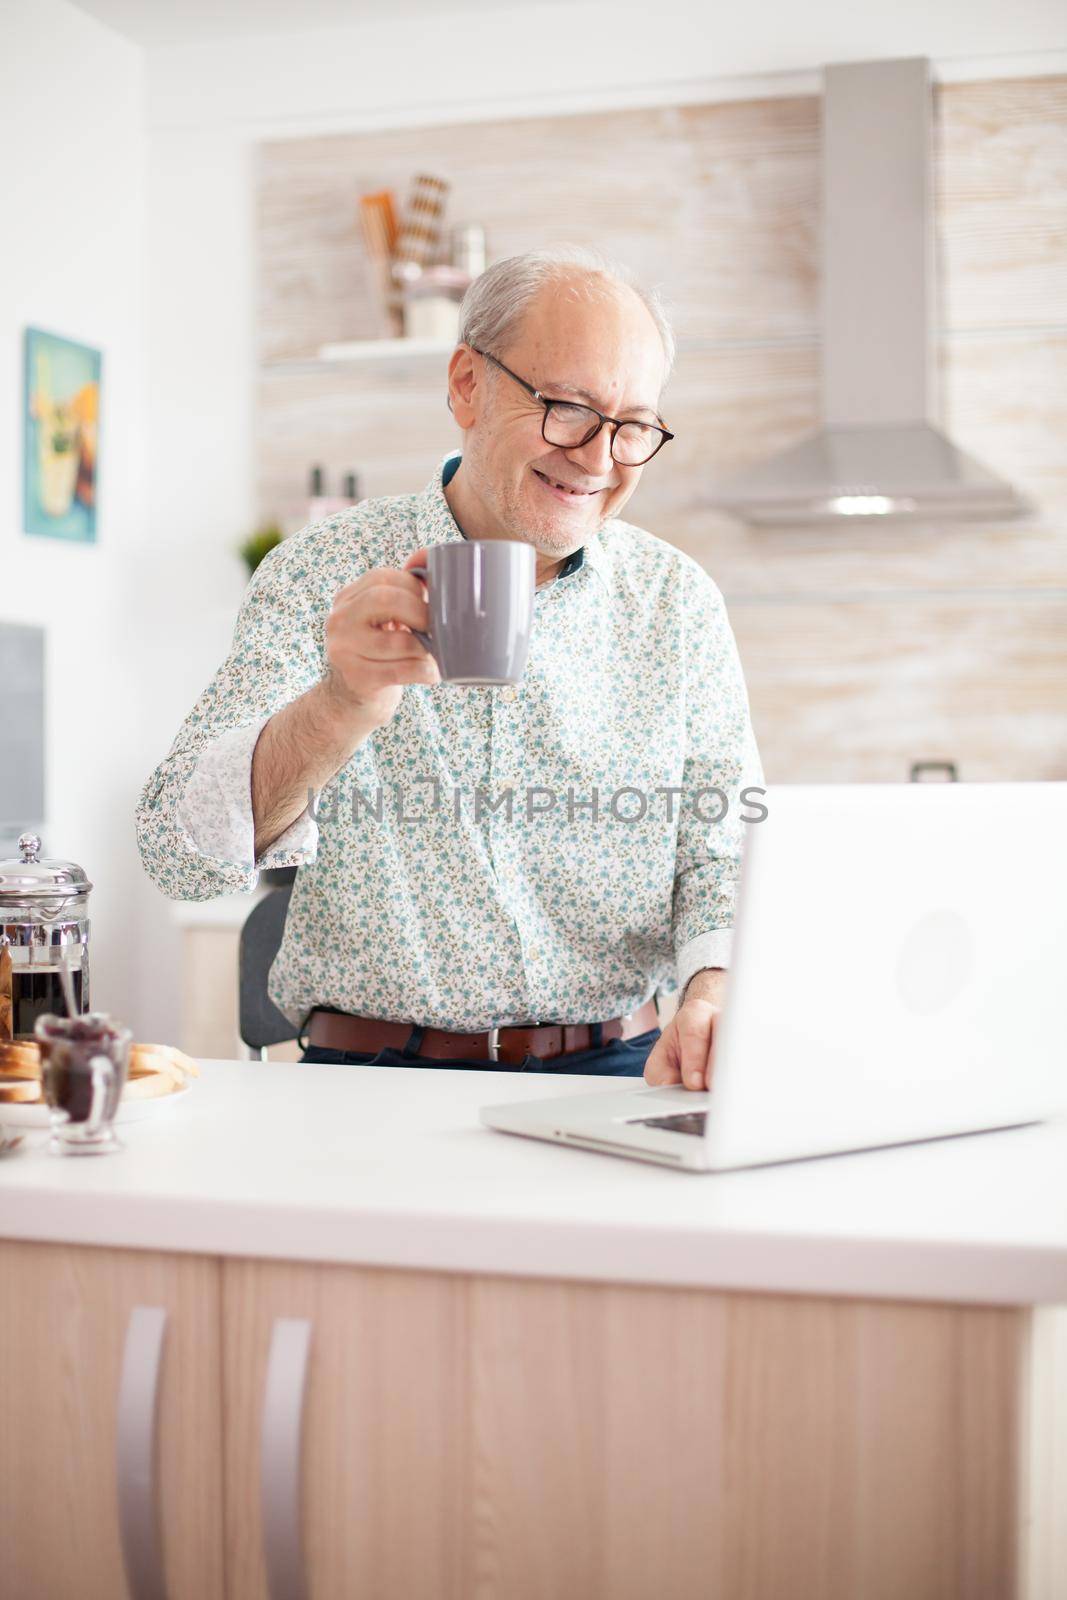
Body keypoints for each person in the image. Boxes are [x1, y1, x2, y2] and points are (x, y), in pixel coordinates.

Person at [135, 245, 763, 1089]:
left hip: (619, 1071)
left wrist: (713, 987)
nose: (598, 458)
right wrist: (341, 701)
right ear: (467, 384)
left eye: (633, 426)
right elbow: (178, 851)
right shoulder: (321, 569)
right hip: (365, 1079)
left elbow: (721, 846)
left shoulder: (675, 601)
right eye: (569, 407)